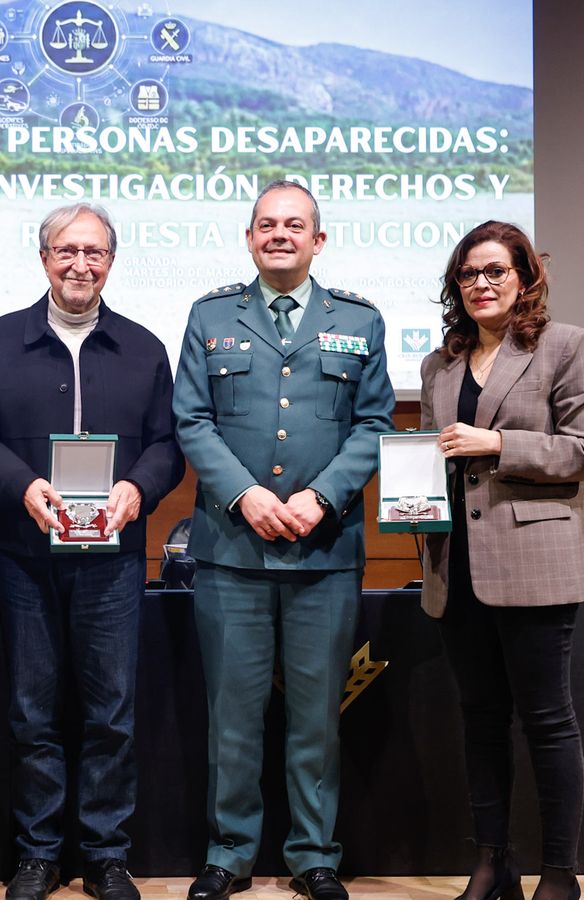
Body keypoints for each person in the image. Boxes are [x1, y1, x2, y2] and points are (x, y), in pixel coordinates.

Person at [0, 203, 184, 900]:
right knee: (33, 710)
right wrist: (20, 484)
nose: (79, 263)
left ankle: (106, 855)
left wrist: (138, 491)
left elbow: (168, 444)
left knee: (111, 712)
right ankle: (38, 853)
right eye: (66, 250)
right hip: (25, 555)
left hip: (114, 559)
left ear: (111, 261)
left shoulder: (144, 349)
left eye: (94, 252)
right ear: (43, 257)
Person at [172, 181, 393, 900]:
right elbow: (192, 421)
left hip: (323, 554)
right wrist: (247, 494)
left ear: (318, 240)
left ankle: (314, 856)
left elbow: (376, 425)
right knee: (232, 719)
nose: (280, 234)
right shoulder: (210, 317)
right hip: (232, 551)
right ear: (249, 237)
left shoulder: (359, 321)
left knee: (314, 720)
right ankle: (229, 853)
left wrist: (321, 497)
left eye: (294, 225)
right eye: (266, 224)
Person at [418, 220, 584, 900]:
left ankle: (559, 874)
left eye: (495, 271)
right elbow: (433, 460)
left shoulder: (563, 346)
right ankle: (493, 864)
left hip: (536, 564)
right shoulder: (438, 365)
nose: (481, 284)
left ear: (524, 277)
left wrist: (497, 443)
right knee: (481, 721)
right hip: (457, 570)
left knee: (549, 722)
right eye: (468, 274)